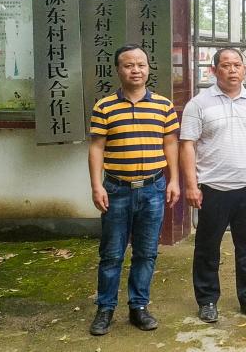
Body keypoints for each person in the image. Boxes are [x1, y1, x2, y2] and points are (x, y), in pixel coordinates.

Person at [87, 44, 180, 336]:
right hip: (116, 189)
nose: (136, 70)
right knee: (112, 253)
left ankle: (138, 306)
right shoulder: (104, 107)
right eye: (129, 65)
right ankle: (105, 309)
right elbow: (96, 148)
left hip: (153, 188)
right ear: (118, 69)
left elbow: (170, 144)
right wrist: (96, 186)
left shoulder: (163, 106)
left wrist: (174, 180)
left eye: (141, 64)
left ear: (148, 68)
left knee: (146, 252)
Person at [179, 48, 246, 323]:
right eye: (226, 65)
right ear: (214, 70)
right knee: (207, 248)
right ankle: (207, 300)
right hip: (213, 188)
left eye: (237, 65)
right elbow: (187, 145)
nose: (232, 70)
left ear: (245, 70)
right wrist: (191, 185)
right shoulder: (198, 104)